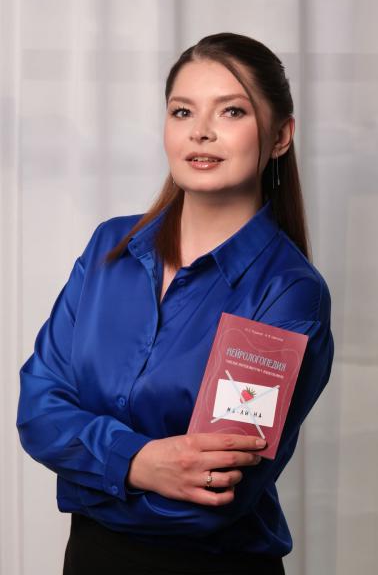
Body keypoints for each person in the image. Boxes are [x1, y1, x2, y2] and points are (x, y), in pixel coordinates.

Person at [16, 32, 334, 575]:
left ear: (280, 136)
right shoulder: (109, 248)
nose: (200, 131)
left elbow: (215, 497)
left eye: (231, 111)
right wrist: (140, 462)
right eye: (182, 111)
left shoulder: (286, 291)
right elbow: (37, 412)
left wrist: (86, 472)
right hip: (88, 560)